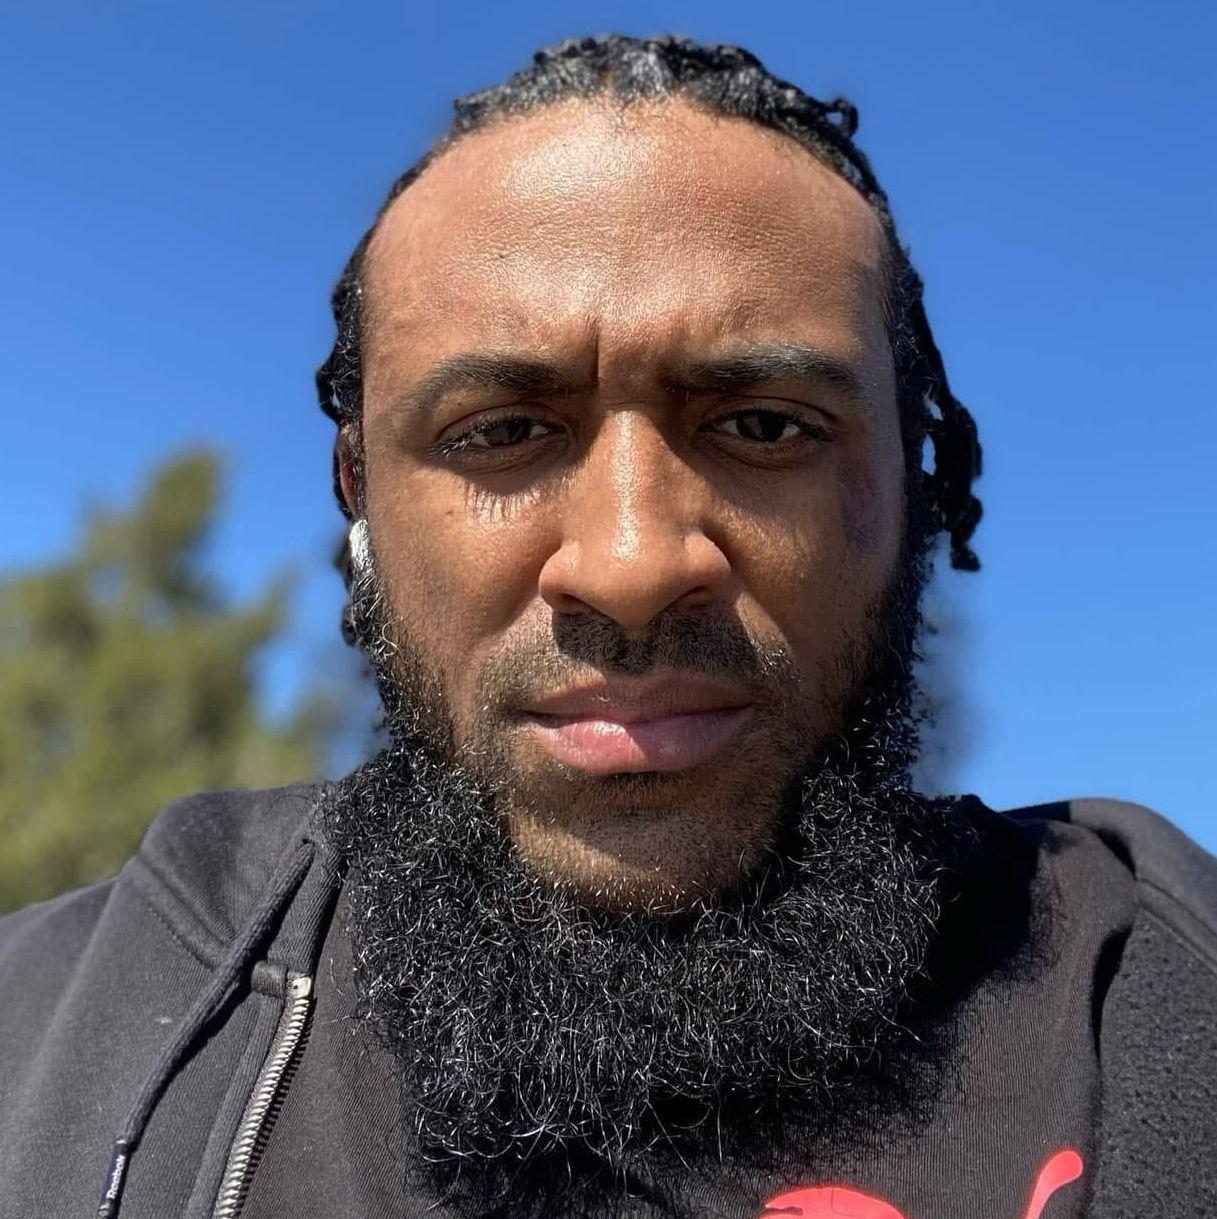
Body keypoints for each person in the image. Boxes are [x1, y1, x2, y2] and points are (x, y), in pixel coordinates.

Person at [0, 33, 1213, 1219]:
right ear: (359, 499)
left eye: (764, 426)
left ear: (914, 484)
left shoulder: (1153, 993)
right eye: (500, 432)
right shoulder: (52, 1031)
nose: (630, 566)